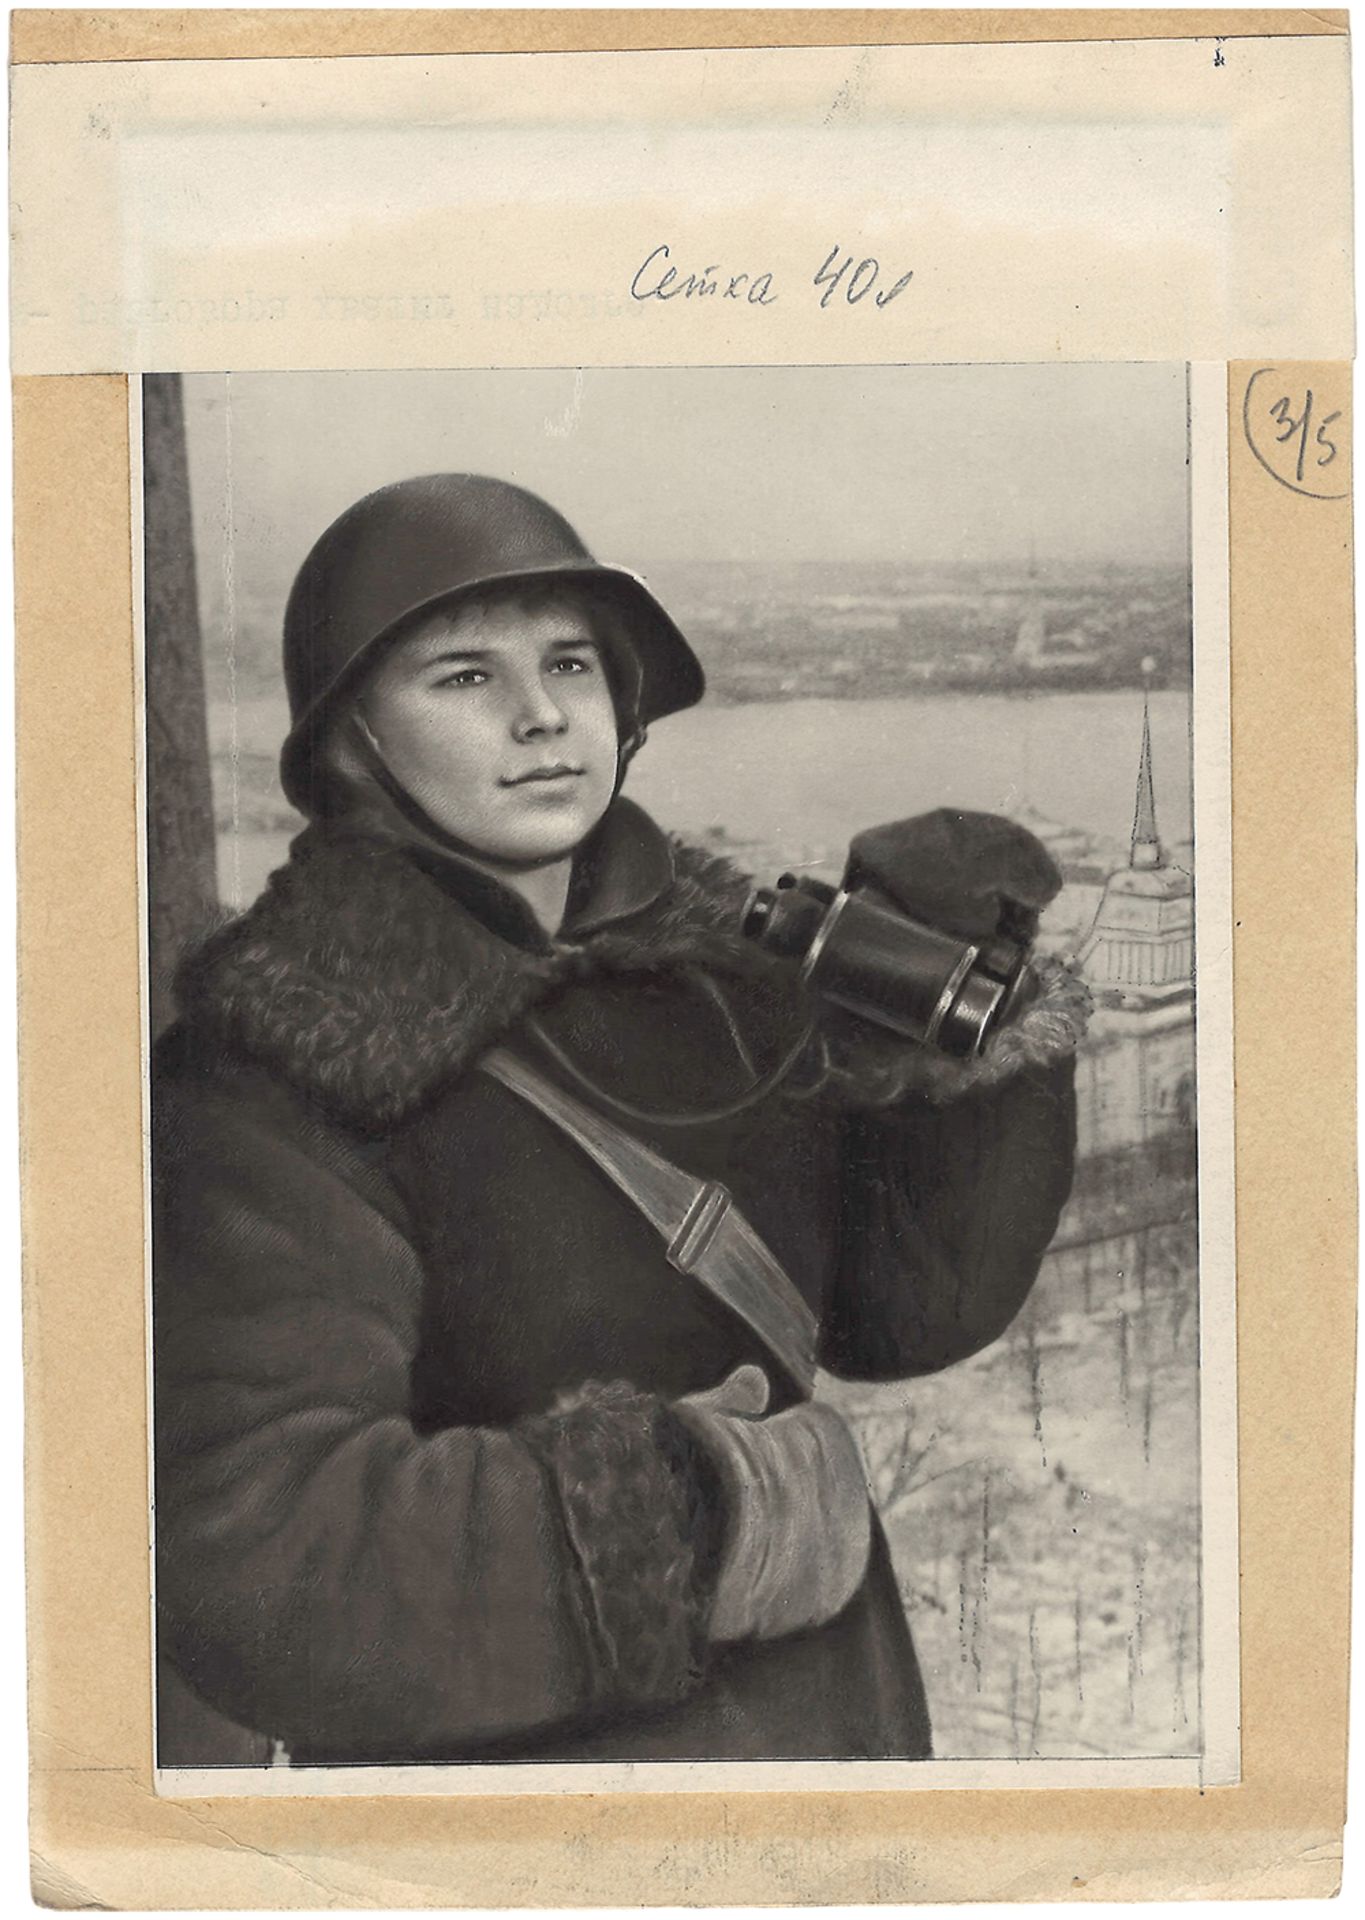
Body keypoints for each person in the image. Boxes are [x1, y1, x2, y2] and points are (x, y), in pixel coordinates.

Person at [152, 472, 1087, 1768]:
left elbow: (900, 1311)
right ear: (352, 736)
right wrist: (693, 1521)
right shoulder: (274, 1081)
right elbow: (265, 1553)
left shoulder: (714, 984)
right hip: (511, 1830)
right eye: (464, 677)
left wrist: (942, 1039)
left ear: (623, 702)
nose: (540, 717)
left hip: (832, 1750)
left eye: (571, 663)